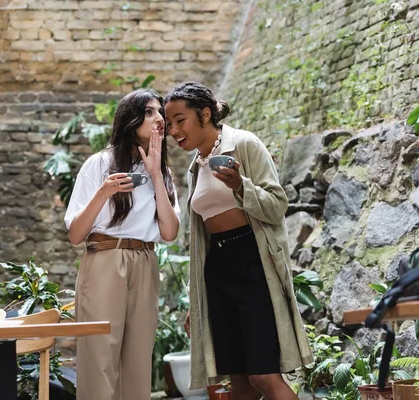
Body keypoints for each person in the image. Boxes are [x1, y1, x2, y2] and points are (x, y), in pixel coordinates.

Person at [164, 82, 312, 400]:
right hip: (217, 269)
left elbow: (277, 205)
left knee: (263, 374)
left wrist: (240, 185)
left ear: (205, 114)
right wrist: (197, 299)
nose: (174, 131)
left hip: (252, 262)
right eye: (169, 124)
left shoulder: (244, 144)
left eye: (180, 120)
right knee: (239, 380)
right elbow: (201, 240)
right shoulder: (196, 166)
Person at [64, 88, 181, 400]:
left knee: (138, 358)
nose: (160, 119)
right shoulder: (98, 164)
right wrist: (104, 191)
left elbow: (169, 233)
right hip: (105, 258)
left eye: (162, 113)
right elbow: (76, 235)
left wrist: (156, 175)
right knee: (99, 354)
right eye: (150, 112)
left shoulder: (163, 173)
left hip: (145, 260)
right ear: (131, 119)